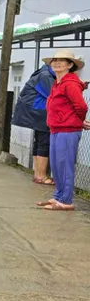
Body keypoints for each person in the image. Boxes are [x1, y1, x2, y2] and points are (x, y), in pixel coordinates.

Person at [40, 50, 89, 211]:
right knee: (56, 165)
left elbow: (81, 106)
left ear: (70, 65)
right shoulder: (57, 83)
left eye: (62, 60)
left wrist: (78, 121)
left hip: (67, 130)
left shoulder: (70, 83)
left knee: (65, 165)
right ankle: (58, 196)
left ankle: (66, 201)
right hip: (57, 129)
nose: (56, 63)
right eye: (55, 60)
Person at [12, 62, 56, 185]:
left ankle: (38, 174)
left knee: (39, 141)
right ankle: (41, 176)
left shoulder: (43, 73)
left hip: (35, 112)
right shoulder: (46, 76)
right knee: (44, 142)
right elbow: (54, 94)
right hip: (40, 112)